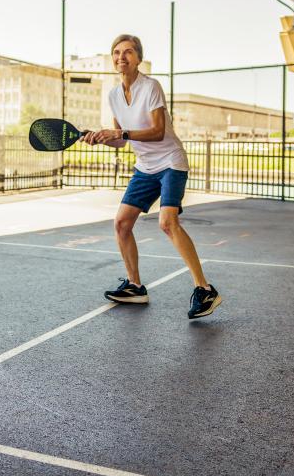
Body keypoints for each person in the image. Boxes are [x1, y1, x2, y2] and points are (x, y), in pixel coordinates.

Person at [84, 34, 221, 319]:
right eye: (117, 52)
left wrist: (120, 133)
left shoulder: (151, 87)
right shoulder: (113, 96)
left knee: (167, 222)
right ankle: (135, 286)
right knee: (121, 223)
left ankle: (205, 289)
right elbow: (122, 141)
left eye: (129, 52)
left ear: (138, 58)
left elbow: (158, 132)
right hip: (145, 167)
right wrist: (102, 138)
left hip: (171, 162)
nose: (122, 57)